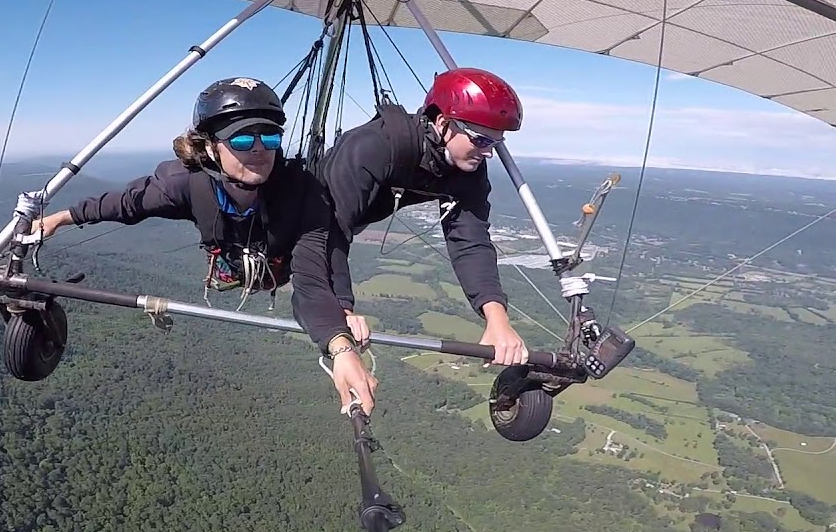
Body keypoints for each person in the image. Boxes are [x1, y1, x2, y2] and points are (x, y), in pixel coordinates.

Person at [28, 76, 380, 412]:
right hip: (231, 257)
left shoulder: (300, 192)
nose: (259, 150)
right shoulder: (186, 184)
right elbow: (125, 203)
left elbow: (312, 275)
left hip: (279, 263)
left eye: (269, 137)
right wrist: (61, 218)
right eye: (242, 140)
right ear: (211, 148)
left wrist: (340, 339)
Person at [317, 67, 529, 367]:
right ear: (443, 123)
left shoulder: (465, 166)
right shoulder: (375, 147)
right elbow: (331, 228)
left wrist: (497, 318)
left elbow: (470, 242)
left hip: (343, 223)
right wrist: (340, 311)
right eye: (481, 140)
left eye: (497, 143)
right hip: (307, 220)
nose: (489, 153)